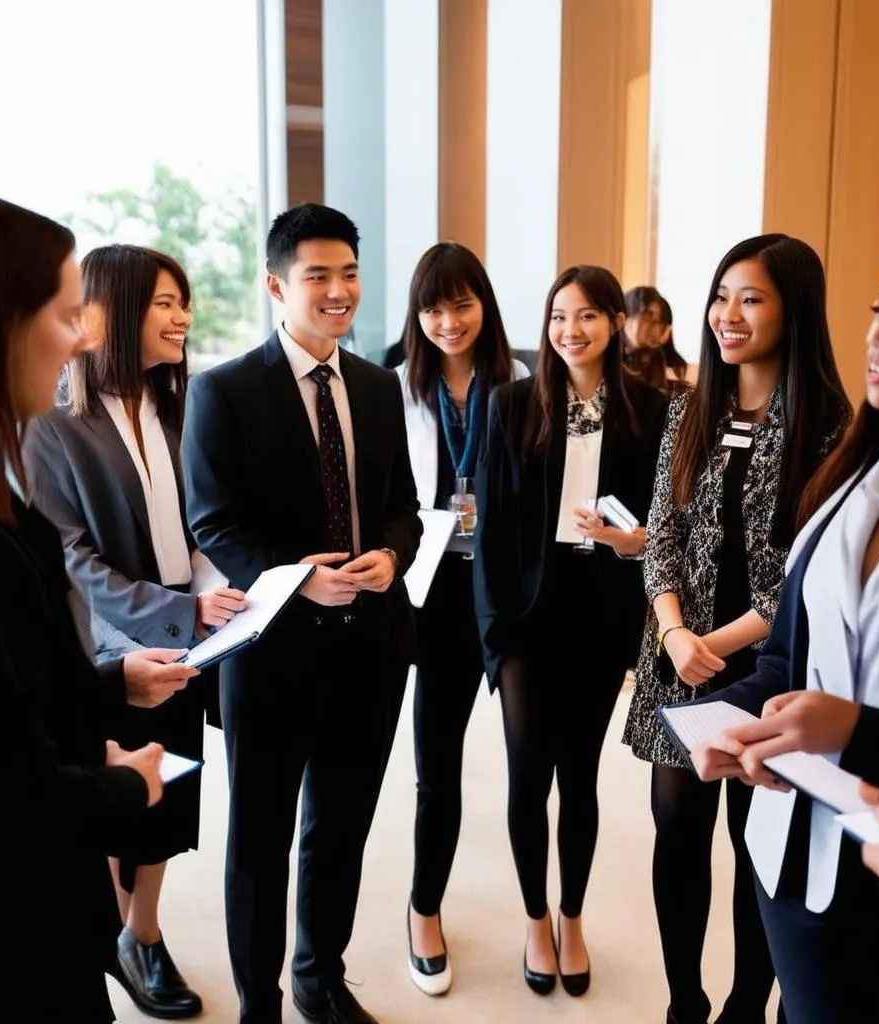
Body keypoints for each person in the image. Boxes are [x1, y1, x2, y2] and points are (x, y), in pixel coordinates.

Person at [689, 223, 879, 1022]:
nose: (877, 335)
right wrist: (740, 718)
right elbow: (794, 656)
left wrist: (853, 729)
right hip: (792, 845)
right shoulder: (856, 480)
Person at [0, 191, 197, 1021]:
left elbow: (6, 702)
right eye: (63, 313)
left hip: (139, 667)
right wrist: (122, 791)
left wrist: (111, 682)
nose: (80, 338)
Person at [181, 202, 422, 1024]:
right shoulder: (223, 391)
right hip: (272, 653)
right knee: (258, 841)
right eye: (318, 275)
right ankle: (260, 1005)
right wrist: (291, 581)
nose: (337, 291)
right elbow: (212, 519)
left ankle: (319, 977)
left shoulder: (379, 385)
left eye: (348, 273)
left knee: (340, 829)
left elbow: (403, 507)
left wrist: (392, 555)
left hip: (372, 650)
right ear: (276, 285)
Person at [623, 234, 851, 1024]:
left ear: (794, 308)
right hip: (674, 657)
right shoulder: (691, 408)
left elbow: (803, 577)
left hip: (768, 670)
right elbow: (660, 536)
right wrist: (676, 634)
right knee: (676, 836)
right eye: (722, 296)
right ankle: (685, 1002)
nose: (729, 315)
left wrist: (711, 647)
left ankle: (748, 1003)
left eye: (751, 298)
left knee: (761, 848)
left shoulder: (829, 426)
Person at [24, 244, 246, 1019]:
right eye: (165, 302)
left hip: (195, 633)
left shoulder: (185, 407)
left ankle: (141, 933)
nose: (183, 316)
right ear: (113, 311)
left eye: (184, 301)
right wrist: (177, 611)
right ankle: (120, 936)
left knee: (170, 793)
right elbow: (73, 561)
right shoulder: (53, 427)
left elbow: (206, 524)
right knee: (115, 799)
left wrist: (219, 594)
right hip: (114, 649)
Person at [474, 264, 668, 997]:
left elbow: (665, 528)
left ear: (614, 323)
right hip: (526, 621)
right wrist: (494, 636)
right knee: (527, 775)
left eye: (587, 315)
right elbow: (490, 527)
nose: (570, 330)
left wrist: (638, 543)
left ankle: (573, 917)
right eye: (559, 315)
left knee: (579, 779)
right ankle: (533, 919)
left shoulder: (651, 410)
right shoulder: (512, 403)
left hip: (600, 617)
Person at [396, 241, 528, 995]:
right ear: (420, 315)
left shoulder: (519, 385)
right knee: (435, 773)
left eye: (463, 303)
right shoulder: (393, 389)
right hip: (435, 596)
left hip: (504, 596)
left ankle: (544, 922)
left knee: (528, 770)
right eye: (435, 306)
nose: (449, 320)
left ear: (485, 304)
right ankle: (423, 909)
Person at [623, 285, 692, 392]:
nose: (656, 330)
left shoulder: (656, 357)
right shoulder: (607, 353)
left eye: (660, 322)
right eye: (648, 319)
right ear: (626, 318)